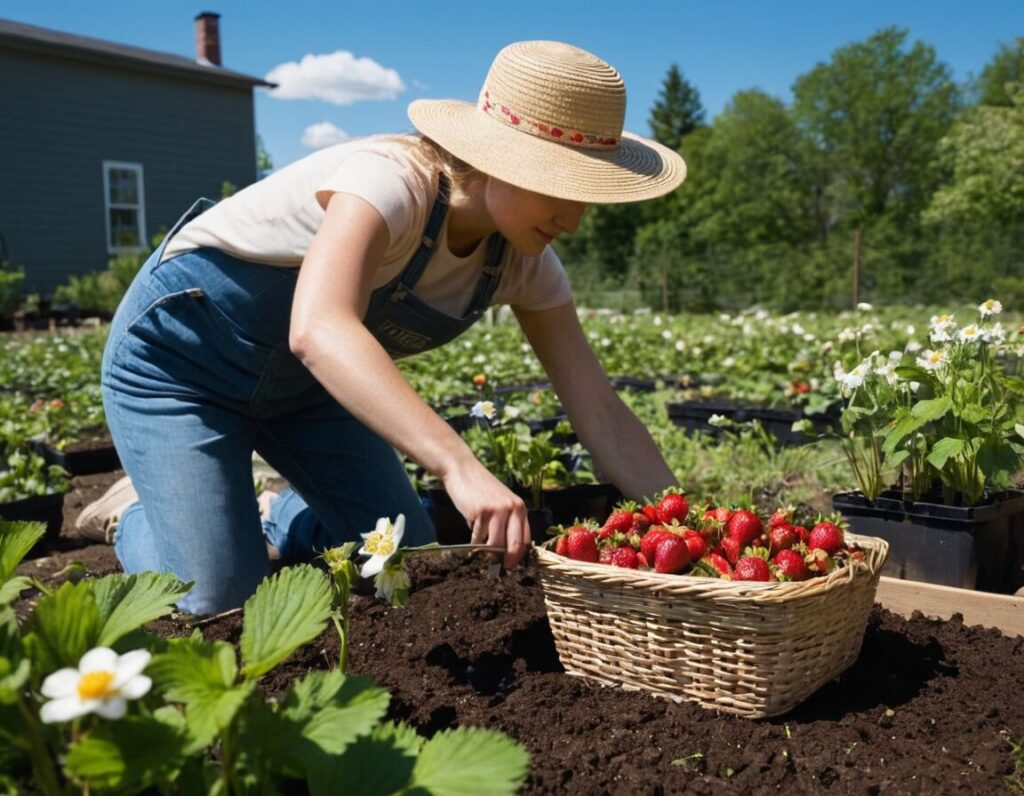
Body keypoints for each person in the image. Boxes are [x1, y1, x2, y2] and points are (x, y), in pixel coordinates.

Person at [79, 40, 687, 615]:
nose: (574, 221)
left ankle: (270, 513)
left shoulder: (526, 266)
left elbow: (600, 414)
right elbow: (317, 329)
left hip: (304, 392)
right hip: (179, 367)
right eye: (562, 188)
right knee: (222, 599)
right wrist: (459, 464)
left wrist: (688, 526)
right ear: (503, 157)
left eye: (587, 196)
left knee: (405, 558)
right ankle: (136, 511)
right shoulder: (391, 182)